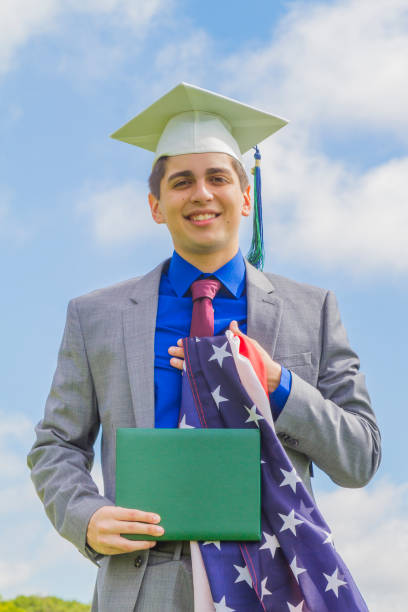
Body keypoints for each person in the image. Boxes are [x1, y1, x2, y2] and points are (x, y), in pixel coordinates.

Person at [28, 83, 381, 612]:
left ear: (245, 197)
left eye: (218, 178)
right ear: (155, 205)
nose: (201, 194)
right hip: (145, 581)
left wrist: (278, 386)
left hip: (273, 582)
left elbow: (361, 457)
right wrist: (86, 517)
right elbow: (56, 443)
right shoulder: (94, 316)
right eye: (181, 182)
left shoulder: (315, 309)